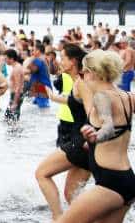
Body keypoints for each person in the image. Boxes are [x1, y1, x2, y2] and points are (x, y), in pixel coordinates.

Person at [59, 50, 135, 223]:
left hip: (110, 183)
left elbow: (107, 126)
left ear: (91, 73)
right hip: (128, 181)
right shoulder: (128, 97)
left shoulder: (101, 97)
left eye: (83, 72)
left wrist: (96, 136)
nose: (81, 76)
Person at [36, 44, 91, 220]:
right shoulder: (80, 81)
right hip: (85, 143)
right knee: (71, 195)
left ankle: (58, 217)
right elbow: (75, 100)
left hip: (81, 142)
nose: (60, 61)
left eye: (63, 57)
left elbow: (91, 110)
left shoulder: (83, 81)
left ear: (73, 61)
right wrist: (52, 97)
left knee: (41, 173)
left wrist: (91, 136)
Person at [4, 49, 24, 126]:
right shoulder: (17, 67)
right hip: (16, 95)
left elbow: (18, 86)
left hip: (16, 96)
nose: (5, 61)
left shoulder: (16, 69)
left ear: (11, 59)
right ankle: (13, 136)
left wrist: (15, 102)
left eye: (6, 59)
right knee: (9, 118)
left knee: (12, 119)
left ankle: (15, 136)